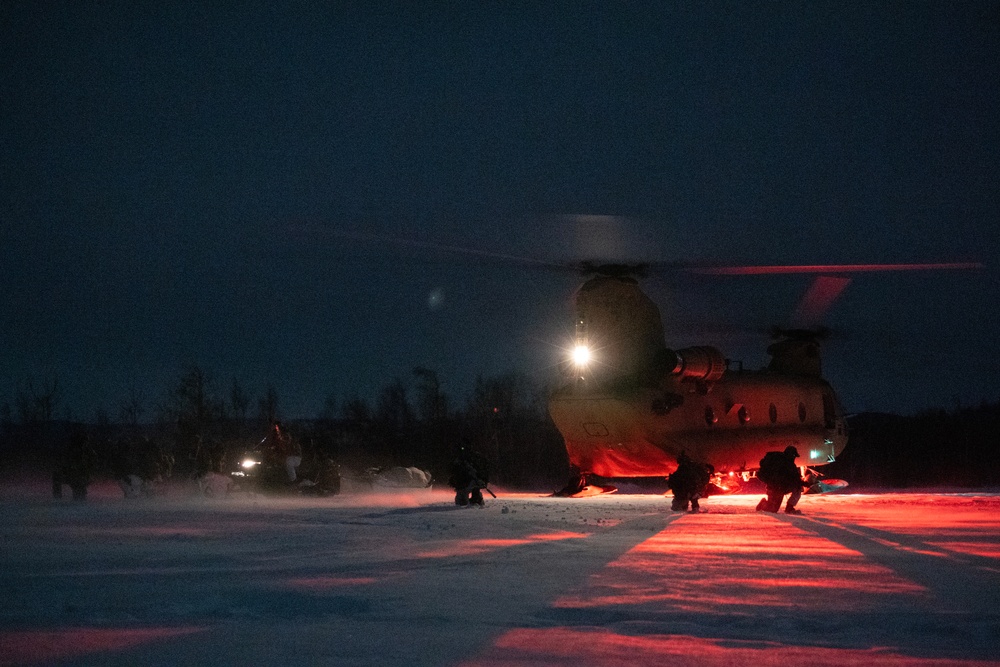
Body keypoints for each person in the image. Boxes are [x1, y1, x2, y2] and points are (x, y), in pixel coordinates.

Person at [756, 446, 806, 514]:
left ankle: (789, 508)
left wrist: (802, 483)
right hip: (775, 489)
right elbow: (779, 479)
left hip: (781, 488)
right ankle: (763, 503)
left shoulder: (790, 465)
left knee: (798, 488)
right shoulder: (780, 464)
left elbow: (795, 478)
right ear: (790, 454)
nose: (794, 458)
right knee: (772, 510)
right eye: (794, 455)